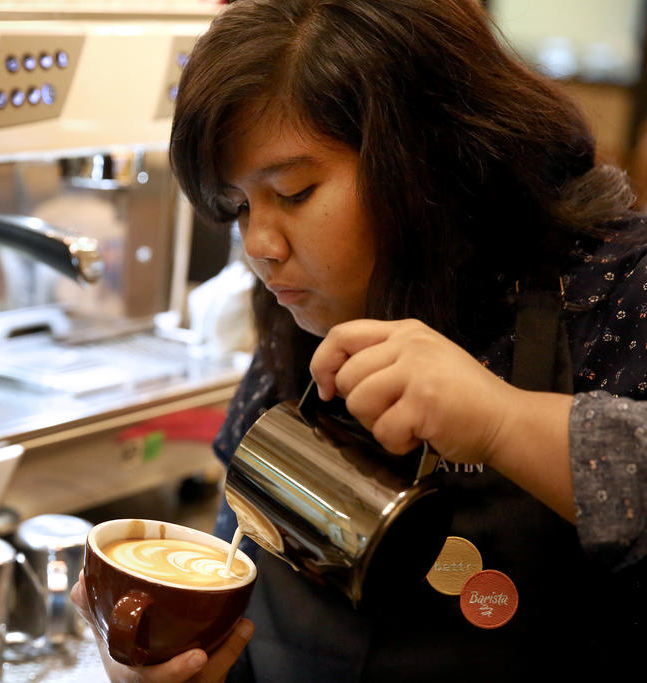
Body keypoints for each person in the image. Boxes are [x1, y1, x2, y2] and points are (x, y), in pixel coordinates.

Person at [72, 0, 647, 680]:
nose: (260, 245)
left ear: (424, 154)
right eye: (239, 207)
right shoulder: (305, 310)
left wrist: (501, 420)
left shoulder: (611, 289)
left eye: (293, 191)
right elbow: (238, 584)